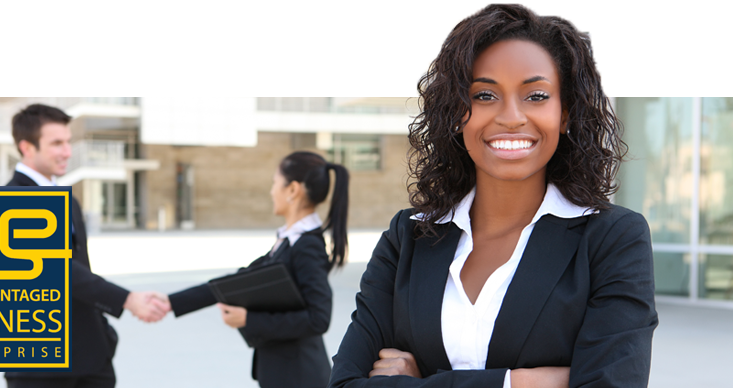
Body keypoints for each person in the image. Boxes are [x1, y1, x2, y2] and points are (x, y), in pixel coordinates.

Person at [329, 4, 657, 388]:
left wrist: (425, 381)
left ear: (565, 113)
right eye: (485, 95)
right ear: (457, 112)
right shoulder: (409, 237)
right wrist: (519, 383)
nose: (511, 116)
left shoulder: (612, 239)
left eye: (536, 95)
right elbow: (345, 384)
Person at [3, 103, 170, 388]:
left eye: (68, 142)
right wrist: (128, 300)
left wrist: (103, 334)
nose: (67, 152)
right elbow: (53, 269)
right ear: (27, 147)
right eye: (56, 143)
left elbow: (82, 268)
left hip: (90, 356)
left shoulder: (67, 200)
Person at [164, 151, 349, 388]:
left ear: (292, 190)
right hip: (286, 374)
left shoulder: (307, 246)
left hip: (299, 377)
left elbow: (318, 319)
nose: (272, 191)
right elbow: (242, 279)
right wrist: (171, 302)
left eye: (275, 183)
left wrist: (249, 319)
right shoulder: (289, 240)